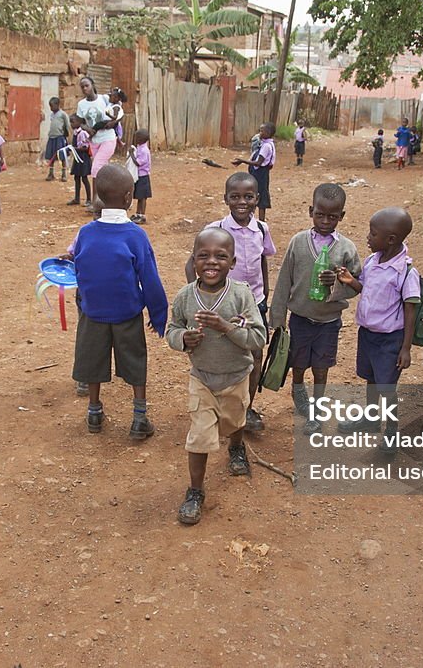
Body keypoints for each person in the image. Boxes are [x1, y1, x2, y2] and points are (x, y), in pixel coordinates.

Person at [169, 227, 267, 525]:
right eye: (203, 256)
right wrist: (184, 338)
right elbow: (171, 330)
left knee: (234, 421)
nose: (211, 262)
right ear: (193, 261)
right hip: (202, 378)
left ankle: (236, 447)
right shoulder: (186, 297)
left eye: (220, 256)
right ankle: (195, 491)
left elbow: (258, 338)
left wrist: (226, 327)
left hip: (236, 377)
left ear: (233, 262)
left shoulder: (241, 295)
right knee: (199, 437)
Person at [71, 163, 168, 440]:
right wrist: (158, 312)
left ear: (98, 196)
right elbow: (149, 278)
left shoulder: (86, 232)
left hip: (93, 311)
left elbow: (80, 269)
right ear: (128, 197)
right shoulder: (136, 235)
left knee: (92, 361)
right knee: (135, 360)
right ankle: (139, 418)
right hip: (126, 312)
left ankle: (94, 412)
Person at [185, 171, 276, 433]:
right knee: (226, 354)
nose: (242, 202)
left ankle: (246, 408)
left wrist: (265, 294)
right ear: (226, 198)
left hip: (254, 302)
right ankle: (216, 405)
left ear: (257, 199)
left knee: (256, 354)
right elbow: (192, 263)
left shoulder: (261, 228)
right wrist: (198, 295)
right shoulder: (217, 230)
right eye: (235, 197)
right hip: (225, 305)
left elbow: (262, 260)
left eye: (248, 197)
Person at [269, 183, 362, 434]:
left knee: (321, 370)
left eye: (333, 216)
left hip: (329, 322)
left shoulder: (346, 249)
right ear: (311, 211)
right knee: (298, 365)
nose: (325, 220)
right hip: (300, 319)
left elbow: (357, 285)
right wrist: (277, 318)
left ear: (341, 216)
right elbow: (284, 281)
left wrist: (337, 285)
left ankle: (316, 413)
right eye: (320, 214)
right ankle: (299, 395)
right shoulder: (298, 242)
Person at [335, 207, 419, 450]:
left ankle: (391, 431)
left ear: (390, 239)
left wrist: (405, 348)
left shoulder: (405, 272)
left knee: (386, 387)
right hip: (368, 334)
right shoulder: (372, 261)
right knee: (371, 379)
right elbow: (369, 290)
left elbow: (410, 310)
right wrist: (352, 281)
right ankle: (371, 420)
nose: (368, 237)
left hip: (390, 340)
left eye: (373, 234)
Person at [75, 76, 119, 201]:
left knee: (95, 168)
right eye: (82, 87)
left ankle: (95, 201)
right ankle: (113, 196)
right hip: (94, 141)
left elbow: (117, 111)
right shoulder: (81, 104)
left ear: (93, 85)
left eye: (86, 85)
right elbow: (80, 122)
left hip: (108, 138)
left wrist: (112, 122)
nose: (84, 89)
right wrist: (87, 128)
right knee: (104, 171)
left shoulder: (104, 99)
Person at [231, 122, 275, 221]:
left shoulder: (267, 146)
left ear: (268, 133)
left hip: (260, 173)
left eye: (261, 131)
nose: (259, 133)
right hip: (259, 172)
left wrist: (242, 161)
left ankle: (261, 221)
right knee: (255, 192)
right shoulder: (264, 143)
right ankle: (253, 218)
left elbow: (258, 163)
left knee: (260, 194)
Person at [67, 114, 91, 207]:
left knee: (84, 178)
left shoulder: (83, 133)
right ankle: (77, 198)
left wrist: (74, 149)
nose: (71, 124)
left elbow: (86, 148)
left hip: (83, 158)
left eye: (73, 122)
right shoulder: (75, 132)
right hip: (78, 158)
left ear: (80, 123)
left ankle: (89, 199)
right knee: (76, 177)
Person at [128, 128, 152, 224]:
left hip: (143, 176)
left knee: (142, 197)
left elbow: (138, 163)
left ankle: (142, 216)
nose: (136, 138)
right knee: (139, 197)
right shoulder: (140, 147)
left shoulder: (144, 150)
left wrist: (131, 154)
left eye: (137, 137)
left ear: (143, 139)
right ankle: (138, 214)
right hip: (140, 176)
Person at [44, 97, 70, 182]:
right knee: (51, 156)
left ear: (58, 105)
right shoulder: (52, 115)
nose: (51, 108)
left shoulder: (63, 114)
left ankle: (64, 174)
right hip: (52, 137)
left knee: (62, 156)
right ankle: (51, 173)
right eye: (50, 106)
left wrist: (66, 135)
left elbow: (67, 125)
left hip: (60, 137)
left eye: (52, 106)